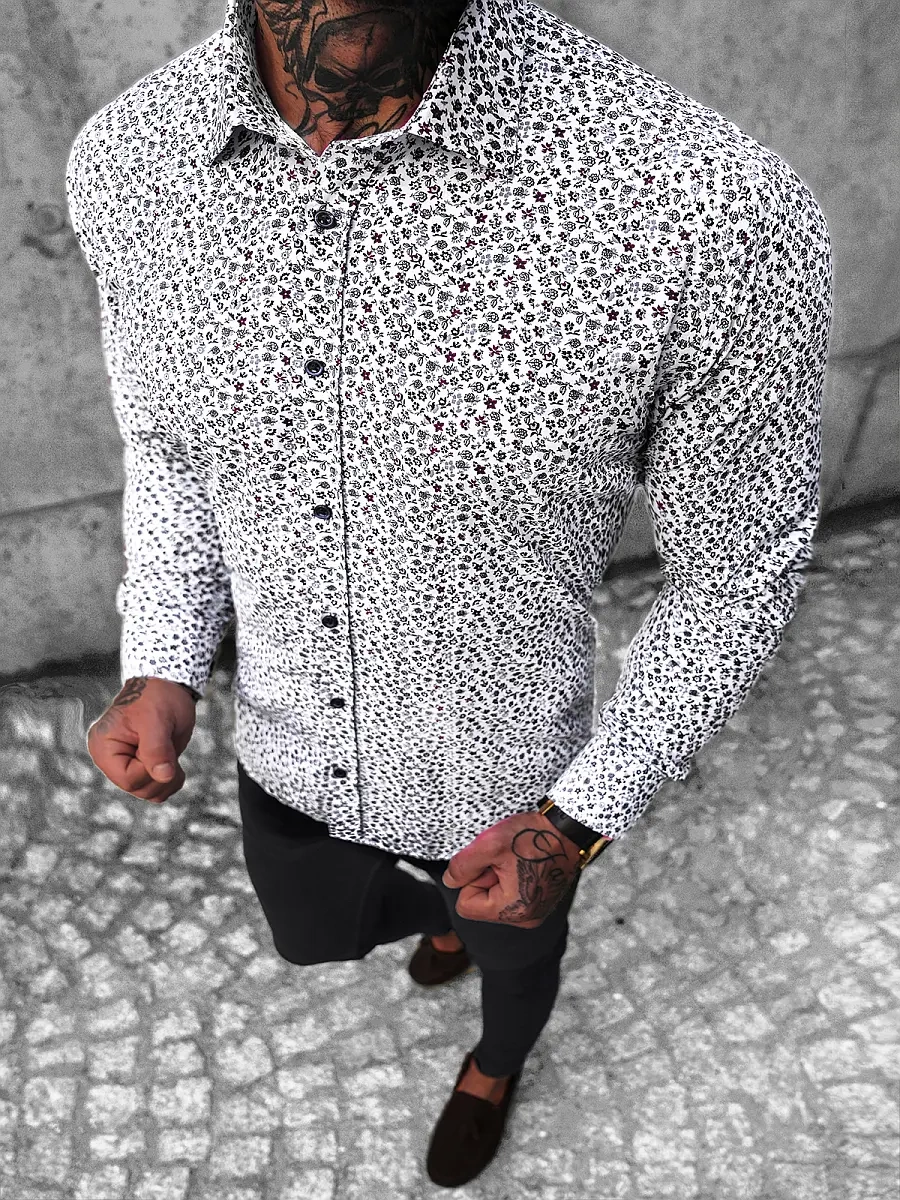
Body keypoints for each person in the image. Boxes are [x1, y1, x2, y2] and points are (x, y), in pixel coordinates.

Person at [68, 0, 832, 1188]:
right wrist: (162, 656)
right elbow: (168, 447)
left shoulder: (708, 208)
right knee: (350, 929)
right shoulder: (128, 161)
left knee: (517, 963)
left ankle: (494, 1065)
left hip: (516, 788)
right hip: (290, 752)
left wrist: (578, 824)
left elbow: (736, 572)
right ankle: (436, 924)